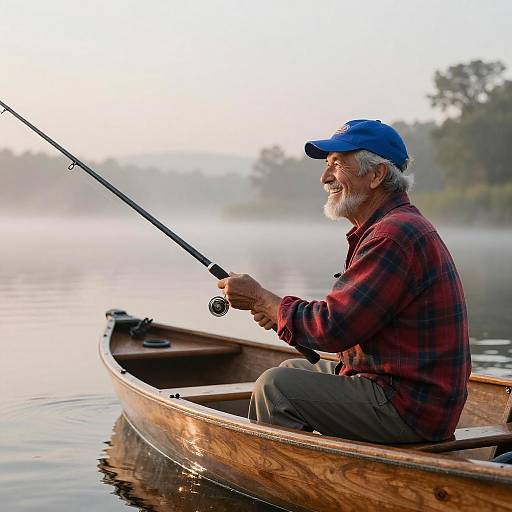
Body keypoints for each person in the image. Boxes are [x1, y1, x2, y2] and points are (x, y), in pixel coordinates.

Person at [218, 119, 471, 444]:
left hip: (409, 409)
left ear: (377, 175)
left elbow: (333, 328)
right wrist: (279, 312)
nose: (325, 178)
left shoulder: (392, 236)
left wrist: (261, 299)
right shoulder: (391, 227)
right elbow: (347, 321)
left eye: (337, 165)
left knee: (276, 387)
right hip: (399, 389)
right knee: (292, 370)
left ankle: (296, 486)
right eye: (327, 166)